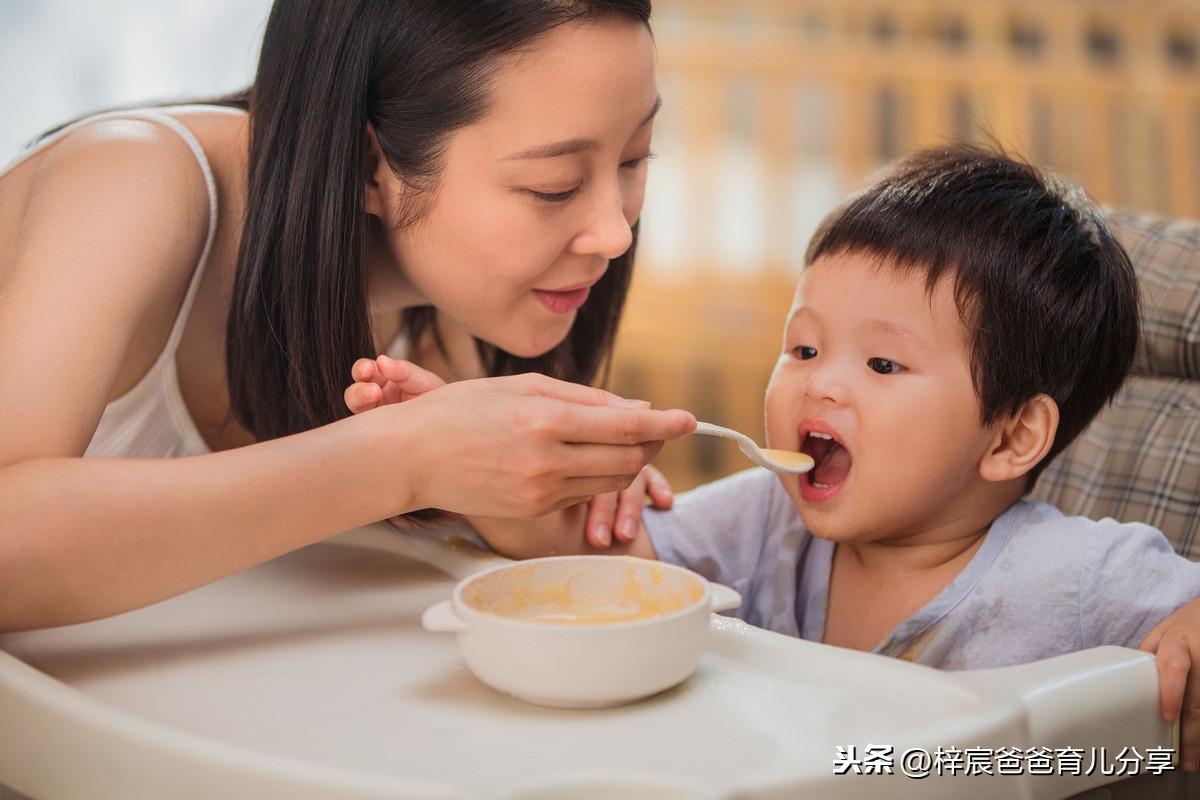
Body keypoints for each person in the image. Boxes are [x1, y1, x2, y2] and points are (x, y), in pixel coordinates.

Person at [348, 145, 1200, 770]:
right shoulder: (766, 519)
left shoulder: (1083, 575)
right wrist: (473, 469)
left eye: (882, 365)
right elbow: (611, 565)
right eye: (801, 349)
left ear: (1012, 436)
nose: (817, 386)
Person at [0, 0, 698, 633]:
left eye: (636, 157)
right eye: (556, 187)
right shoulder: (132, 185)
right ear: (370, 164)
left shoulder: (456, 314)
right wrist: (405, 459)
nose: (615, 233)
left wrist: (531, 506)